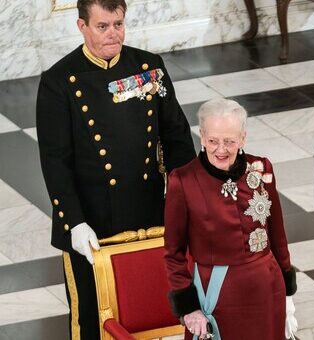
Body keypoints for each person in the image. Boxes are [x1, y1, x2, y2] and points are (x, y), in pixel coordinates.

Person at [36, 0, 195, 338]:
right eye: (102, 26)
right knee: (92, 320)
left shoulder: (150, 67)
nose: (113, 34)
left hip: (148, 212)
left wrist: (190, 200)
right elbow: (55, 162)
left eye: (118, 24)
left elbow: (178, 139)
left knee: (154, 311)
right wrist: (74, 222)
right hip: (92, 222)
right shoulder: (59, 81)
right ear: (82, 27)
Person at [164, 98, 298, 340]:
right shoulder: (182, 181)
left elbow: (277, 234)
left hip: (267, 291)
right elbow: (173, 254)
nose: (221, 149)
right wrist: (189, 308)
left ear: (243, 138)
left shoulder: (261, 169)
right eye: (213, 140)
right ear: (202, 136)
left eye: (230, 141)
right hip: (217, 294)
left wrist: (288, 296)